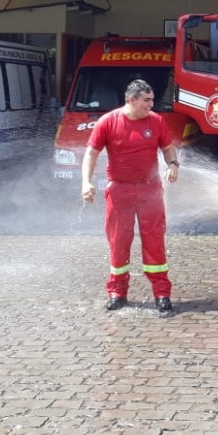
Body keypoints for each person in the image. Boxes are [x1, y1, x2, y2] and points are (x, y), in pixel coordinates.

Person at [81, 79, 180, 313]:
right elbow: (90, 153)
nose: (151, 105)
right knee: (118, 241)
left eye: (152, 100)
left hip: (150, 190)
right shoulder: (108, 122)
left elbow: (168, 147)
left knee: (155, 241)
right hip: (119, 190)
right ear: (131, 100)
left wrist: (173, 164)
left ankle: (162, 294)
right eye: (146, 100)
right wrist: (86, 181)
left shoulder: (156, 122)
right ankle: (117, 292)